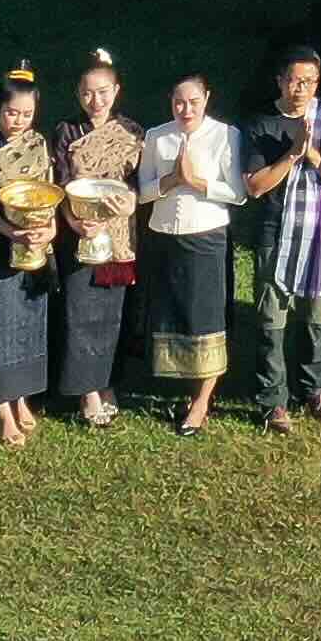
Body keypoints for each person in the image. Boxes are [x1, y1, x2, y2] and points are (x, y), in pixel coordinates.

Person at [239, 45, 321, 429]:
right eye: (293, 81)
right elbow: (254, 186)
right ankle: (273, 400)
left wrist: (312, 154)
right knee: (272, 317)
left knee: (318, 315)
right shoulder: (260, 124)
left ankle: (316, 390)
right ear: (280, 81)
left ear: (318, 83)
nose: (300, 89)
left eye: (309, 82)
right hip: (275, 231)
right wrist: (292, 154)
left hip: (317, 231)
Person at [138, 73, 242, 434]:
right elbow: (142, 192)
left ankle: (201, 402)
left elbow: (238, 192)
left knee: (205, 318)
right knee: (174, 315)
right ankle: (181, 385)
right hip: (165, 237)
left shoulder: (224, 134)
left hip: (206, 236)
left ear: (207, 99)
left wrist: (195, 181)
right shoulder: (157, 136)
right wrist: (171, 180)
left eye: (194, 102)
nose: (186, 110)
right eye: (179, 102)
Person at [51, 52, 146, 431]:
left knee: (112, 314)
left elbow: (141, 182)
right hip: (80, 233)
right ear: (78, 94)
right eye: (88, 93)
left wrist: (129, 202)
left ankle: (107, 382)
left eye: (103, 92)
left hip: (119, 236)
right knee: (80, 313)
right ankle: (86, 391)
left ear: (116, 90)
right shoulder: (66, 131)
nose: (96, 101)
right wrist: (75, 222)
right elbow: (59, 183)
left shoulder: (132, 132)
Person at [0, 67, 60, 450]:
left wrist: (50, 228)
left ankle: (22, 397)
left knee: (30, 323)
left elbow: (51, 191)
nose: (19, 121)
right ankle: (1, 408)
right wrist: (13, 233)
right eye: (12, 113)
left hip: (38, 245)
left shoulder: (39, 145)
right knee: (2, 327)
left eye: (27, 114)